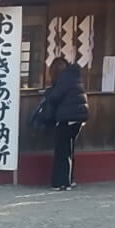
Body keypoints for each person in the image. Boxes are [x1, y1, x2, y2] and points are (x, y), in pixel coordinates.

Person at [41, 56, 89, 191]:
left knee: (62, 151)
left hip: (67, 119)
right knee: (69, 150)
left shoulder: (64, 79)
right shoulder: (74, 76)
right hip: (78, 118)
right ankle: (69, 180)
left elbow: (55, 97)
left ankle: (61, 183)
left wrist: (49, 92)